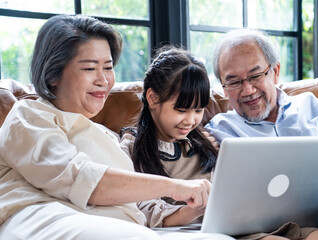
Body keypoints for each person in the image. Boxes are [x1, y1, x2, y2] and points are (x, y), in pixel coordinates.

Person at [0, 15, 235, 240]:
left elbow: (140, 205)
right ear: (53, 74)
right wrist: (178, 187)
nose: (103, 80)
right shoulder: (28, 116)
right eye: (90, 68)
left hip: (110, 223)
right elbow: (83, 180)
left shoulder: (105, 137)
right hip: (42, 215)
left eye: (108, 67)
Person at [119, 46, 318, 240]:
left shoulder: (205, 141)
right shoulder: (131, 148)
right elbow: (145, 210)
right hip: (199, 228)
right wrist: (197, 208)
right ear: (153, 99)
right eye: (181, 109)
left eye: (198, 110)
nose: (191, 120)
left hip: (241, 223)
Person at [204, 28, 318, 240]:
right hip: (281, 225)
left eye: (255, 75)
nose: (248, 89)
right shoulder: (220, 131)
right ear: (223, 87)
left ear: (275, 72)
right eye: (234, 82)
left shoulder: (311, 106)